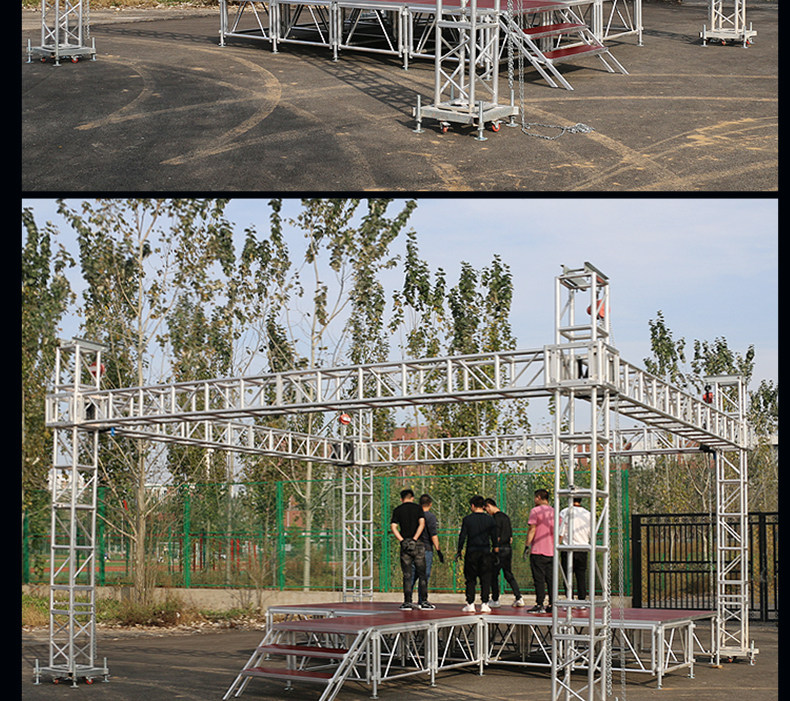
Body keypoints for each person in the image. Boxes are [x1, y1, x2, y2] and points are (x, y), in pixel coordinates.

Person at [457, 495, 498, 613]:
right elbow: (494, 537)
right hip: (485, 552)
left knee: (470, 579)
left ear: (473, 506)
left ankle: (470, 604)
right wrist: (495, 550)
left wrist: (459, 550)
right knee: (485, 579)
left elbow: (462, 536)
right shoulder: (490, 520)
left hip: (472, 552)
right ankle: (485, 603)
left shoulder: (467, 519)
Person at [483, 498, 525, 608]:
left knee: (493, 575)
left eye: (486, 509)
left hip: (499, 550)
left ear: (489, 506)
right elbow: (510, 538)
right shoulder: (506, 517)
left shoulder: (495, 519)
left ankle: (495, 599)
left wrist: (494, 547)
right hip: (508, 549)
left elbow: (496, 536)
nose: (487, 512)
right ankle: (519, 597)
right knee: (508, 574)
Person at [391, 488, 428, 610]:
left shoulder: (398, 510)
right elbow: (422, 524)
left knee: (407, 574)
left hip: (405, 544)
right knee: (422, 574)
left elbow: (393, 527)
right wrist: (415, 539)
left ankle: (407, 602)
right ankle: (424, 601)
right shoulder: (418, 508)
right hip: (418, 544)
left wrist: (402, 540)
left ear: (401, 499)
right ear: (412, 498)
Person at [524, 489, 554, 613]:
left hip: (538, 550)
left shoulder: (535, 511)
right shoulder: (554, 512)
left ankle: (540, 604)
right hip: (551, 551)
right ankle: (552, 604)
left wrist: (527, 545)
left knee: (539, 579)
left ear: (539, 497)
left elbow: (532, 529)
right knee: (551, 579)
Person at [410, 494, 443, 610]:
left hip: (414, 548)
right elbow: (433, 534)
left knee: (413, 574)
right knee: (424, 575)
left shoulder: (414, 516)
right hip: (426, 549)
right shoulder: (430, 517)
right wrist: (438, 549)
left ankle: (408, 599)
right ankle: (422, 600)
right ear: (430, 504)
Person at [558, 496, 592, 601]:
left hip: (568, 548)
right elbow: (591, 533)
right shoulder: (588, 514)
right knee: (581, 575)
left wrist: (557, 545)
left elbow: (561, 532)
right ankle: (582, 599)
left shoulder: (565, 512)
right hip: (583, 548)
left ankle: (570, 599)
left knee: (567, 576)